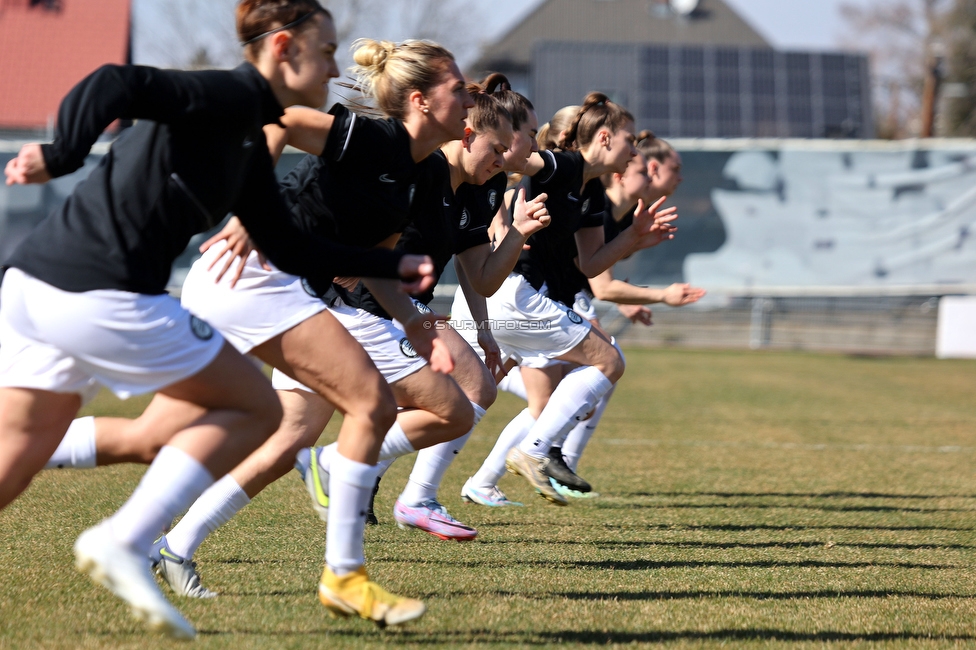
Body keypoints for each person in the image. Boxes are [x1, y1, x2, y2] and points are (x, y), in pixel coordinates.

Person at [0, 0, 436, 638]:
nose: (335, 66)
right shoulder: (224, 94)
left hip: (34, 286)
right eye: (325, 51)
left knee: (18, 453)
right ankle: (126, 540)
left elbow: (289, 247)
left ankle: (133, 540)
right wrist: (63, 153)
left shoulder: (247, 142)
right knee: (256, 410)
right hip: (101, 291)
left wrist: (388, 265)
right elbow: (111, 83)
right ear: (283, 48)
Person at [454, 93, 678, 506]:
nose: (635, 151)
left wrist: (634, 237)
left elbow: (591, 265)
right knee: (603, 364)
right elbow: (523, 163)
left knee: (477, 395)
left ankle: (452, 485)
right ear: (606, 138)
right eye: (630, 140)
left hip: (527, 296)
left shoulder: (588, 189)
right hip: (512, 294)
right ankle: (537, 454)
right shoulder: (566, 164)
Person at [358, 78, 550, 537]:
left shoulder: (485, 184)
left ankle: (376, 482)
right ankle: (378, 480)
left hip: (405, 309)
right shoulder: (423, 172)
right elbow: (365, 239)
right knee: (289, 429)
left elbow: (479, 273)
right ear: (467, 135)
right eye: (501, 146)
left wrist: (518, 233)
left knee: (458, 397)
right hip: (365, 307)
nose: (507, 157)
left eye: (509, 148)